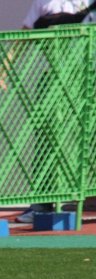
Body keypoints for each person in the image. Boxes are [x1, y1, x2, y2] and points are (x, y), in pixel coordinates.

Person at [15, 0, 93, 223]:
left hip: (88, 76)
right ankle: (42, 204)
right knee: (47, 140)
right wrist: (6, 66)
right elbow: (26, 33)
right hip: (57, 77)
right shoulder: (45, 3)